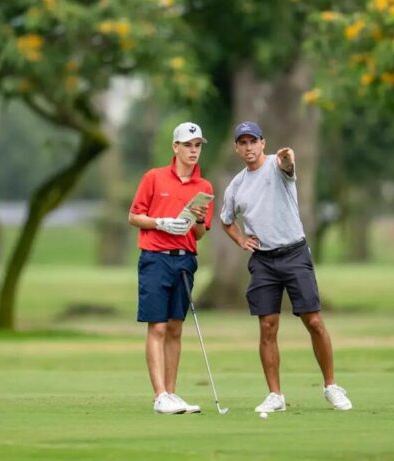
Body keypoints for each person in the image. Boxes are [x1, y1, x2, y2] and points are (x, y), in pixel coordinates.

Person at [220, 121, 352, 413]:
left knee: (314, 321)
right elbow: (226, 220)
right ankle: (275, 395)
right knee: (267, 327)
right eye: (242, 143)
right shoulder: (236, 185)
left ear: (262, 143)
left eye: (253, 141)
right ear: (236, 149)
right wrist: (241, 240)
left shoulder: (277, 166)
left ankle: (331, 386)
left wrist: (288, 159)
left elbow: (288, 165)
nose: (249, 147)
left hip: (294, 254)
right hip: (264, 261)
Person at [129, 122, 214, 414]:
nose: (193, 151)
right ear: (175, 147)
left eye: (198, 146)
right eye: (188, 145)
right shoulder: (153, 178)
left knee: (176, 327)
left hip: (185, 259)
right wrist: (160, 222)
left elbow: (200, 233)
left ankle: (172, 394)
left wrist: (200, 219)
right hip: (155, 257)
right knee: (159, 326)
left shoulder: (204, 188)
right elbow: (134, 216)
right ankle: (159, 395)